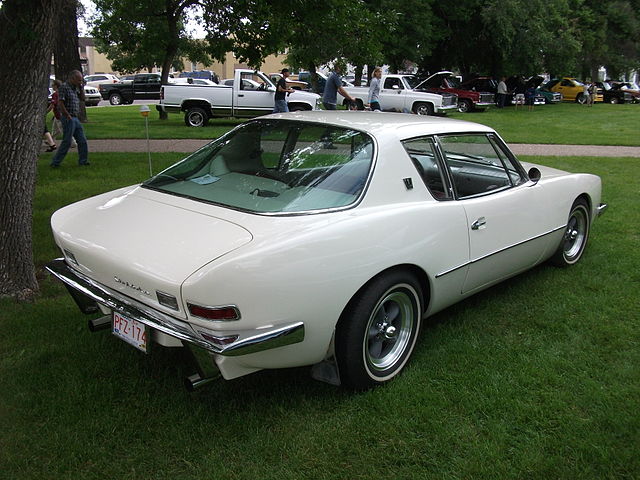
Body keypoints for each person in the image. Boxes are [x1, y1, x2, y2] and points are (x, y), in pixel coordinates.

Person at [50, 70, 89, 167]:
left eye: (81, 80)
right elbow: (61, 103)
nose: (80, 82)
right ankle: (56, 162)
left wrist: (81, 87)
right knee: (67, 141)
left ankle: (83, 161)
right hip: (68, 117)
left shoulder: (75, 88)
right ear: (72, 78)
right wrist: (67, 115)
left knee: (82, 140)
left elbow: (82, 98)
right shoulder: (64, 87)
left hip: (75, 118)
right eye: (79, 80)